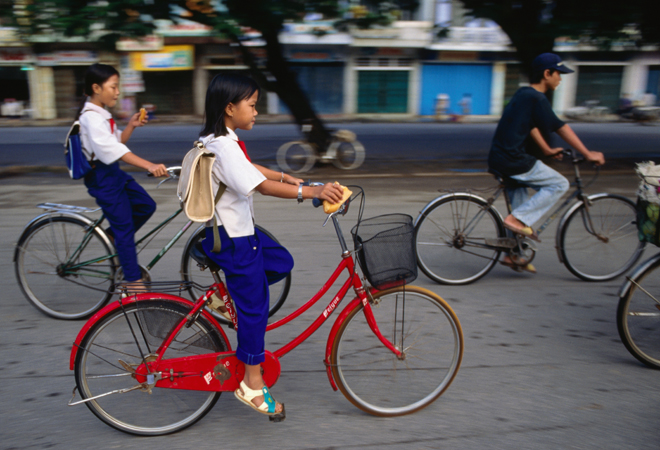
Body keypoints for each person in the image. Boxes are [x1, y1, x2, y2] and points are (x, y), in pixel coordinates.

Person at [198, 73, 344, 417]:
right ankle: (251, 383)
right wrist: (312, 191)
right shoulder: (222, 145)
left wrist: (285, 176)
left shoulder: (218, 139)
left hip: (237, 234)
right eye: (252, 105)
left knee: (280, 261)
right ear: (230, 108)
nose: (256, 112)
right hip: (235, 240)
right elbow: (259, 186)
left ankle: (229, 299)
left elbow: (250, 170)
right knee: (255, 311)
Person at [488, 53, 605, 273]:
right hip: (514, 160)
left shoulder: (524, 93)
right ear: (547, 74)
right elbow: (560, 127)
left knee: (523, 203)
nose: (560, 78)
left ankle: (513, 255)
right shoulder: (537, 98)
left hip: (501, 158)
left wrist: (547, 150)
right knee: (559, 184)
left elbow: (531, 125)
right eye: (558, 73)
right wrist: (587, 153)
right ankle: (517, 220)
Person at [78, 63, 167, 290]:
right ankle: (132, 282)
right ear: (97, 88)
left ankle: (113, 238)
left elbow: (116, 143)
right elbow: (111, 151)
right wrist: (148, 165)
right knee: (125, 227)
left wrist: (131, 125)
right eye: (114, 87)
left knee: (146, 205)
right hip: (101, 177)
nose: (118, 92)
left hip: (112, 172)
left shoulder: (101, 114)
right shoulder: (91, 117)